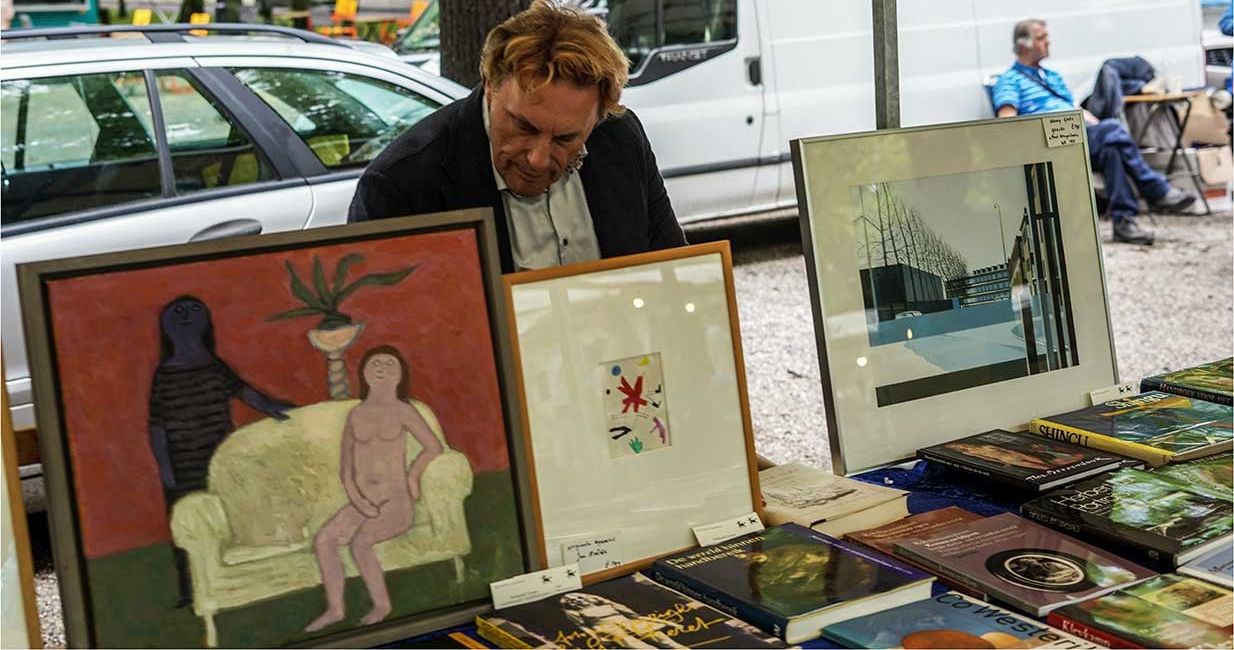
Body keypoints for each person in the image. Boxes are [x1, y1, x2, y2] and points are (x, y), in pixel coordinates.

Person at [348, 0, 686, 272]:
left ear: (598, 118)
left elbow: (672, 269)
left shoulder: (620, 137)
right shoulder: (402, 186)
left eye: (565, 139)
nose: (537, 159)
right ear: (491, 86)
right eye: (524, 127)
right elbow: (389, 325)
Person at [992, 19, 1196, 246]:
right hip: (1047, 140)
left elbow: (1076, 110)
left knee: (1112, 148)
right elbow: (1007, 122)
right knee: (1112, 131)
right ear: (1023, 45)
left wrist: (1101, 128)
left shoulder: (1052, 76)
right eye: (1041, 38)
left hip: (1075, 134)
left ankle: (1124, 222)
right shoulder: (1009, 81)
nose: (1048, 41)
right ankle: (1153, 189)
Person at [306, 345, 444, 631]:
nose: (382, 367)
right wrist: (357, 500)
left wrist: (413, 475)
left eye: (390, 363)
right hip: (362, 501)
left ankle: (382, 604)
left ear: (401, 375)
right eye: (375, 363)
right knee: (324, 540)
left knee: (360, 542)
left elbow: (434, 446)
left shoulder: (404, 410)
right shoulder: (356, 414)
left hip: (396, 503)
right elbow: (345, 467)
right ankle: (335, 608)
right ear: (364, 373)